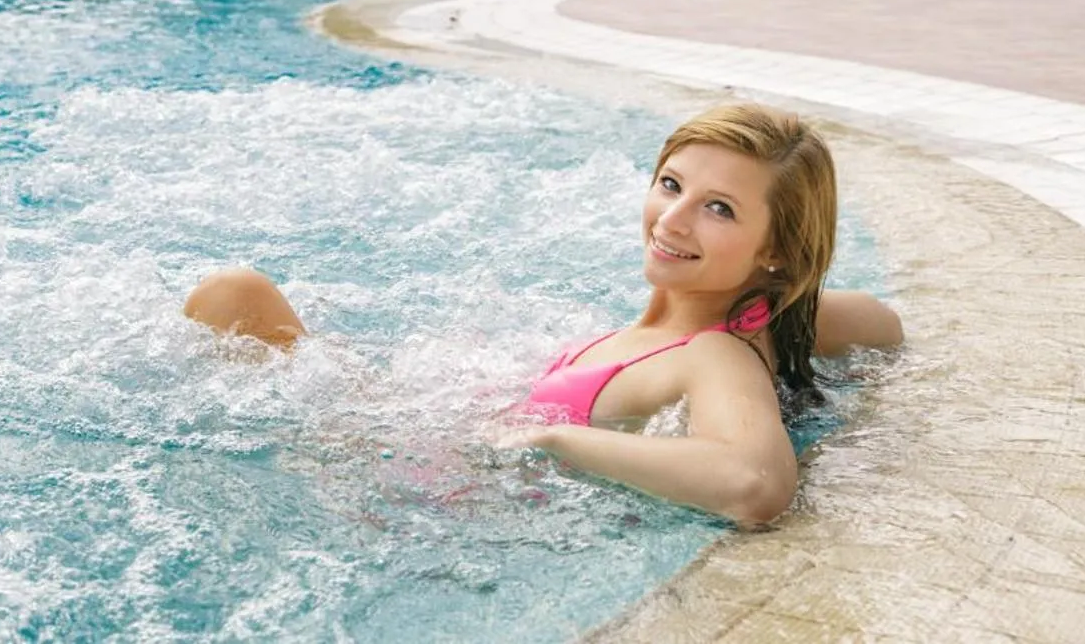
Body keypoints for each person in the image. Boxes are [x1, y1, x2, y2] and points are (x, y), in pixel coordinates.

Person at [182, 103, 903, 526]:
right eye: (670, 184)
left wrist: (552, 439)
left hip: (418, 489)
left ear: (777, 249)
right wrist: (791, 308)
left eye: (718, 208)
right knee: (236, 294)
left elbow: (756, 483)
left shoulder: (713, 355)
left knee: (231, 298)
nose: (672, 220)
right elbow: (882, 322)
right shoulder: (759, 319)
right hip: (424, 433)